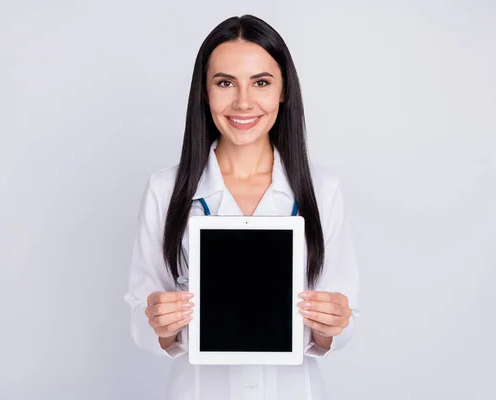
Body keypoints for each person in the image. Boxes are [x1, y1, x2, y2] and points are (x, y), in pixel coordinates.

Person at [124, 14, 360, 400]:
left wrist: (331, 323)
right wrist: (161, 323)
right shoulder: (165, 190)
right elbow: (140, 312)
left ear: (283, 91)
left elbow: (343, 319)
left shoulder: (322, 190)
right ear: (204, 91)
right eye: (225, 83)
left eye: (261, 83)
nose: (244, 102)